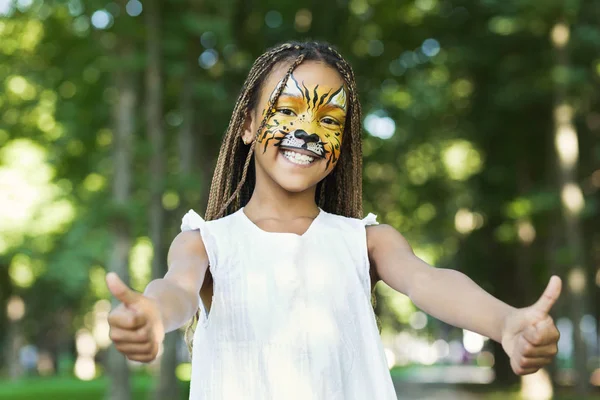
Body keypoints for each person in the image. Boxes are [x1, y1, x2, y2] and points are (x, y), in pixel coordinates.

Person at [105, 41, 561, 399]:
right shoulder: (205, 243)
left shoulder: (366, 241)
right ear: (246, 125)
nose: (306, 130)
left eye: (328, 119)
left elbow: (430, 281)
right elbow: (177, 291)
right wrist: (150, 313)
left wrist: (505, 322)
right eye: (287, 110)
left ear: (342, 142)